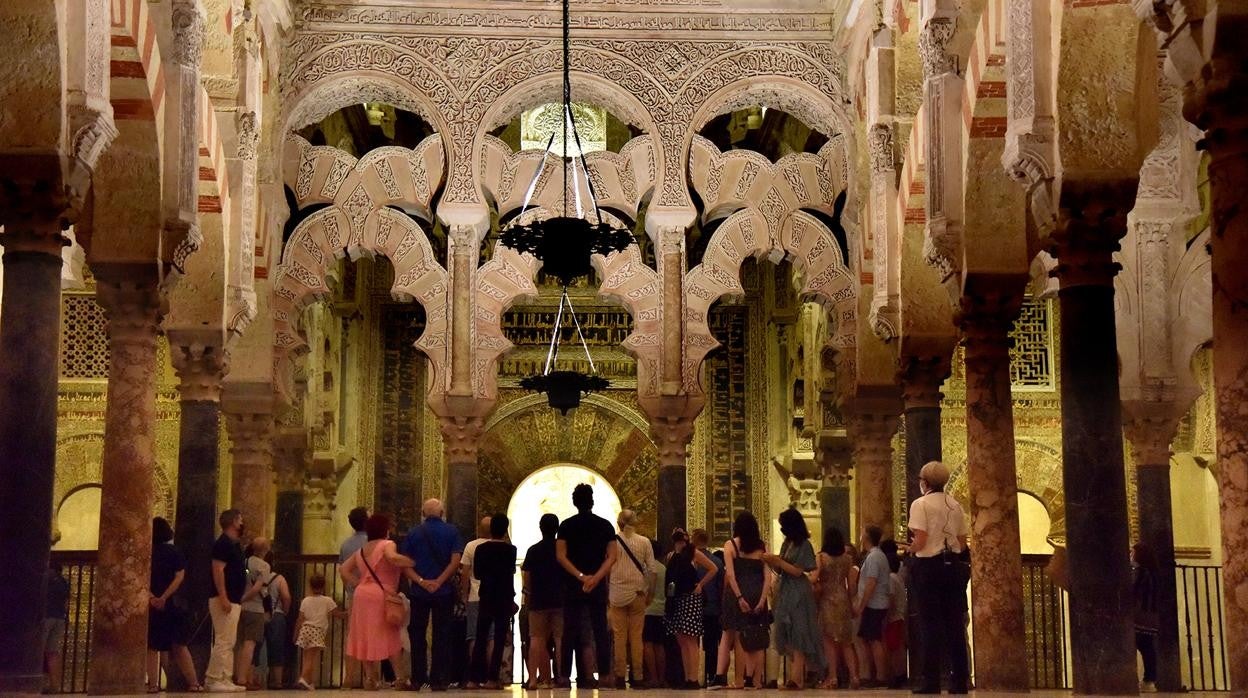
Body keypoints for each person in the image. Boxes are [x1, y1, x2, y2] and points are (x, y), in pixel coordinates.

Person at [907, 461, 970, 695]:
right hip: (952, 567)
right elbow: (963, 543)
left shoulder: (920, 504)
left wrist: (910, 549)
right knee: (954, 625)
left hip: (929, 567)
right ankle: (959, 681)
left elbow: (921, 539)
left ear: (924, 482)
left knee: (929, 625)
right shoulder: (955, 505)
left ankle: (931, 681)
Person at [340, 513, 416, 689]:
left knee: (364, 635)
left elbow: (343, 569)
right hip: (382, 594)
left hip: (362, 594)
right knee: (390, 633)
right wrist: (412, 562)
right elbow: (392, 558)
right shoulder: (387, 544)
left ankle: (370, 678)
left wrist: (359, 583)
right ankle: (399, 678)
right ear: (385, 529)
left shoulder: (361, 550)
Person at [556, 483, 619, 688]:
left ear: (575, 501)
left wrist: (581, 576)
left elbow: (561, 556)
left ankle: (564, 676)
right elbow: (612, 557)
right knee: (600, 630)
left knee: (570, 630)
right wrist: (596, 578)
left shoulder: (565, 526)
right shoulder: (605, 525)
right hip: (597, 585)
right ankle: (605, 676)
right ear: (592, 500)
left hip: (573, 585)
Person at [400, 498, 464, 691]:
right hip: (443, 591)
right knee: (442, 634)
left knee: (417, 633)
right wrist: (439, 581)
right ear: (442, 513)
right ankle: (439, 679)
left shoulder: (413, 532)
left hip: (419, 592)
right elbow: (455, 561)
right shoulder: (452, 531)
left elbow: (406, 564)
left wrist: (421, 581)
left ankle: (419, 678)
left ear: (422, 513)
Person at [765, 507, 825, 689]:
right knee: (787, 634)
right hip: (786, 589)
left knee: (798, 633)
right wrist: (771, 561)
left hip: (798, 592)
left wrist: (778, 561)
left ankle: (797, 678)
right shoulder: (788, 543)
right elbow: (782, 568)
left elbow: (799, 570)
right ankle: (795, 675)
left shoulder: (804, 545)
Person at [711, 511, 769, 690]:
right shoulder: (762, 547)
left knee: (728, 635)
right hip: (757, 593)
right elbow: (768, 577)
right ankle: (753, 679)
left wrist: (739, 597)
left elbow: (730, 574)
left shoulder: (730, 545)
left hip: (737, 595)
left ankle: (722, 677)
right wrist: (761, 600)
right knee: (756, 637)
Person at [147, 517, 201, 692]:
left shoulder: (147, 552)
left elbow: (140, 578)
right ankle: (193, 683)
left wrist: (153, 598)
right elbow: (179, 576)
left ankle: (153, 685)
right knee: (179, 645)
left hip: (152, 604)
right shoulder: (174, 552)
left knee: (153, 646)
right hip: (171, 605)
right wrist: (164, 597)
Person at [665, 528, 719, 689]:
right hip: (677, 598)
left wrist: (701, 585)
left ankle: (693, 677)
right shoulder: (672, 556)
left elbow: (713, 568)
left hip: (690, 597)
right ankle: (688, 676)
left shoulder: (693, 552)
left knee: (690, 638)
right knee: (681, 639)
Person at [609, 509, 657, 689]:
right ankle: (637, 677)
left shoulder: (613, 541)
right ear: (635, 522)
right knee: (637, 637)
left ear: (619, 522)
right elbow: (652, 570)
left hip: (617, 593)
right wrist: (649, 592)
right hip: (637, 593)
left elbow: (607, 566)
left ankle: (620, 676)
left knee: (619, 637)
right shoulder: (644, 542)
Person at [470, 514, 518, 689]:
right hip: (504, 597)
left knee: (481, 636)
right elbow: (510, 575)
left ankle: (473, 679)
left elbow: (477, 574)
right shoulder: (510, 550)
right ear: (505, 529)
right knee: (498, 639)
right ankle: (492, 678)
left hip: (486, 595)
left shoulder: (481, 549)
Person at [207, 509, 248, 693]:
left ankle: (225, 677)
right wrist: (223, 596)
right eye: (240, 519)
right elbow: (218, 570)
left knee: (229, 640)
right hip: (224, 597)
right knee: (224, 639)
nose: (242, 522)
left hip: (234, 598)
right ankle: (213, 678)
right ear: (233, 522)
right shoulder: (222, 543)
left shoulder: (234, 544)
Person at [522, 513, 565, 689]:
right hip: (560, 599)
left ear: (540, 528)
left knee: (536, 639)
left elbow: (527, 576)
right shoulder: (562, 549)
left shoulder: (533, 550)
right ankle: (562, 677)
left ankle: (533, 679)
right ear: (557, 529)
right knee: (560, 639)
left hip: (538, 599)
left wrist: (528, 593)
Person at [815, 527, 858, 689]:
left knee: (829, 641)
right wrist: (852, 602)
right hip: (843, 599)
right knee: (846, 642)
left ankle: (832, 677)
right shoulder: (847, 559)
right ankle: (854, 676)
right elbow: (851, 585)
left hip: (827, 599)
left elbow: (815, 576)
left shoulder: (821, 557)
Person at [855, 525, 891, 687]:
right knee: (871, 639)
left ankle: (880, 676)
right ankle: (875, 674)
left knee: (874, 639)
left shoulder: (874, 557)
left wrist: (862, 604)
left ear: (867, 537)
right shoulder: (876, 556)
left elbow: (871, 582)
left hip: (874, 604)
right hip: (876, 603)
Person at [293, 574, 344, 690]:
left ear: (310, 586)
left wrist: (295, 633)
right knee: (312, 658)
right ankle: (303, 678)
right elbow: (337, 614)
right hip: (317, 631)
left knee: (306, 656)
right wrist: (349, 613)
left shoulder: (305, 600)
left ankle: (309, 682)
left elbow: (300, 618)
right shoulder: (327, 600)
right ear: (324, 586)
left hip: (305, 629)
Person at [458, 516, 491, 688]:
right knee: (491, 637)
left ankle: (474, 677)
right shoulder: (501, 547)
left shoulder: (471, 546)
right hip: (493, 597)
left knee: (473, 636)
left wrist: (464, 594)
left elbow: (464, 573)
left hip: (474, 597)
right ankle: (492, 677)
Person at [237, 538, 273, 689]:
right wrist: (245, 598)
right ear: (266, 550)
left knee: (239, 644)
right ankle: (243, 679)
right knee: (250, 644)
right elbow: (258, 587)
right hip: (255, 608)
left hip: (241, 609)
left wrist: (239, 600)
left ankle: (239, 675)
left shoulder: (244, 562)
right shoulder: (264, 566)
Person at [339, 507, 369, 689]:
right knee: (372, 636)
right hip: (372, 594)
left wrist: (351, 588)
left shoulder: (346, 544)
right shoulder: (373, 542)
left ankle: (348, 678)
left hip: (354, 595)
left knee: (353, 636)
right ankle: (370, 677)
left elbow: (343, 572)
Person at [692, 529, 724, 686]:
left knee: (692, 644)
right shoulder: (717, 562)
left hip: (693, 608)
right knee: (712, 645)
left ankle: (694, 676)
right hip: (712, 608)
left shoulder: (692, 561)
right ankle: (712, 675)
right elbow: (720, 588)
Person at [261, 550, 292, 689]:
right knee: (277, 648)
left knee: (255, 647)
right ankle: (277, 681)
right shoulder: (279, 578)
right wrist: (285, 611)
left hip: (258, 614)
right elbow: (286, 597)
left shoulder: (255, 576)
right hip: (276, 615)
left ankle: (255, 679)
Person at [880, 539, 908, 688]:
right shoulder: (898, 578)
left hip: (893, 618)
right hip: (899, 617)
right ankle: (899, 674)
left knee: (894, 648)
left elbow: (889, 599)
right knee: (897, 647)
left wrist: (884, 615)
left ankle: (898, 675)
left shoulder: (890, 578)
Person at [1134, 542, 1161, 693]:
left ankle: (1146, 679)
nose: (1132, 556)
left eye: (1133, 553)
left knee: (1138, 644)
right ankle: (1149, 680)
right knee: (1147, 647)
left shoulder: (1142, 572)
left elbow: (1133, 590)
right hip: (1151, 615)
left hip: (1140, 615)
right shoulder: (1155, 573)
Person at [642, 539, 668, 689]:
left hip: (647, 610)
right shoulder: (664, 568)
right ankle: (662, 678)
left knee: (647, 644)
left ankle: (653, 677)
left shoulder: (647, 568)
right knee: (659, 645)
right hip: (661, 609)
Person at [44, 560, 70, 694]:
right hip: (60, 618)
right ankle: (55, 685)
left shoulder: (45, 579)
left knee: (37, 651)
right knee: (53, 652)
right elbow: (66, 602)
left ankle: (36, 682)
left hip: (46, 617)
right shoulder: (64, 582)